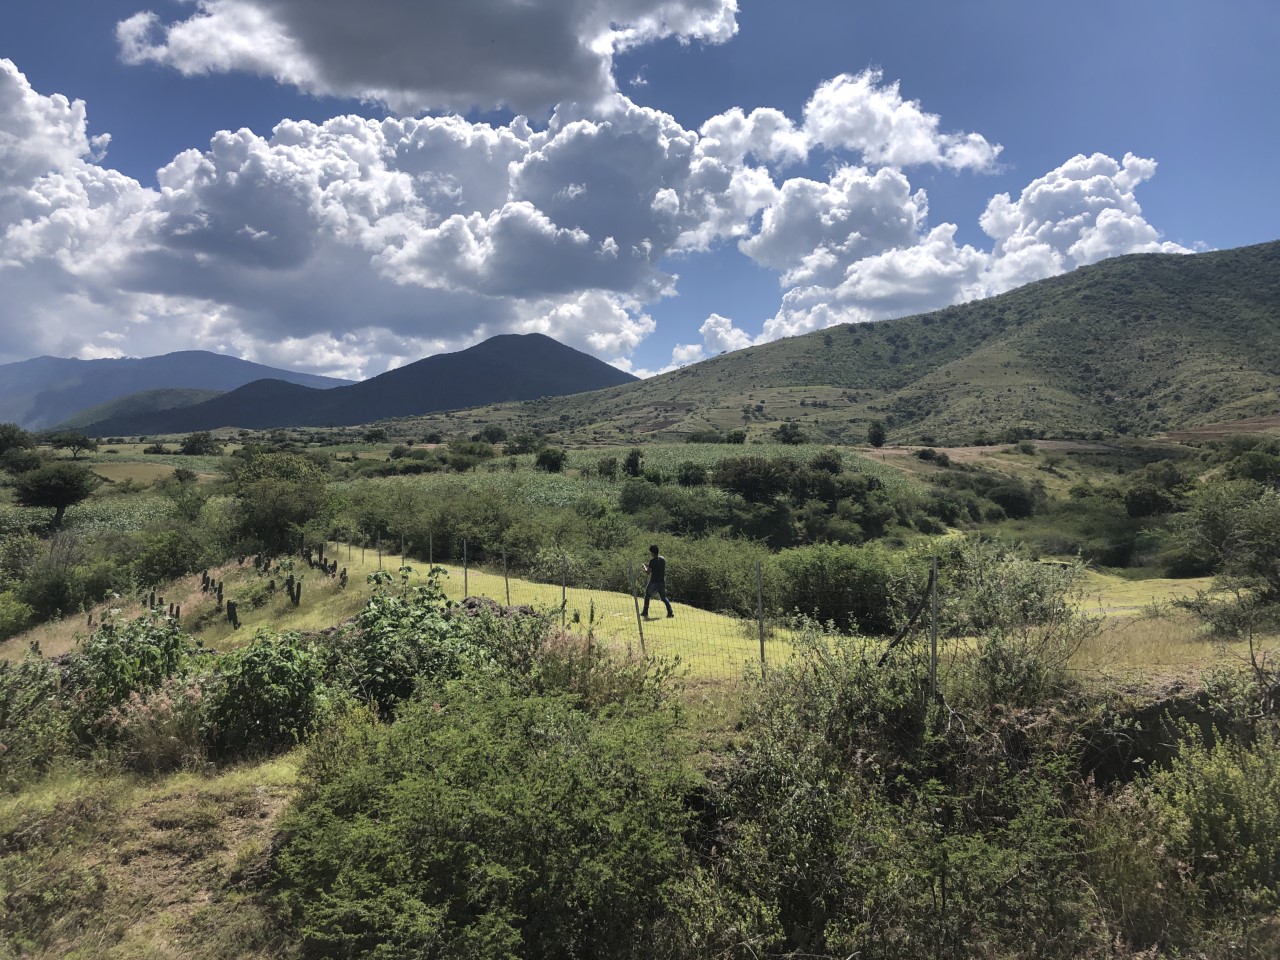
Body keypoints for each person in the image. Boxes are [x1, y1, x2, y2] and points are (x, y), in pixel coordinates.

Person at [641, 544, 674, 618]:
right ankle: (670, 612)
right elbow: (655, 566)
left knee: (647, 596)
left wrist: (644, 567)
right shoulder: (662, 559)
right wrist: (649, 565)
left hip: (653, 582)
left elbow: (648, 572)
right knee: (664, 597)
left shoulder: (652, 561)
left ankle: (645, 612)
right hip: (661, 581)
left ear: (652, 553)